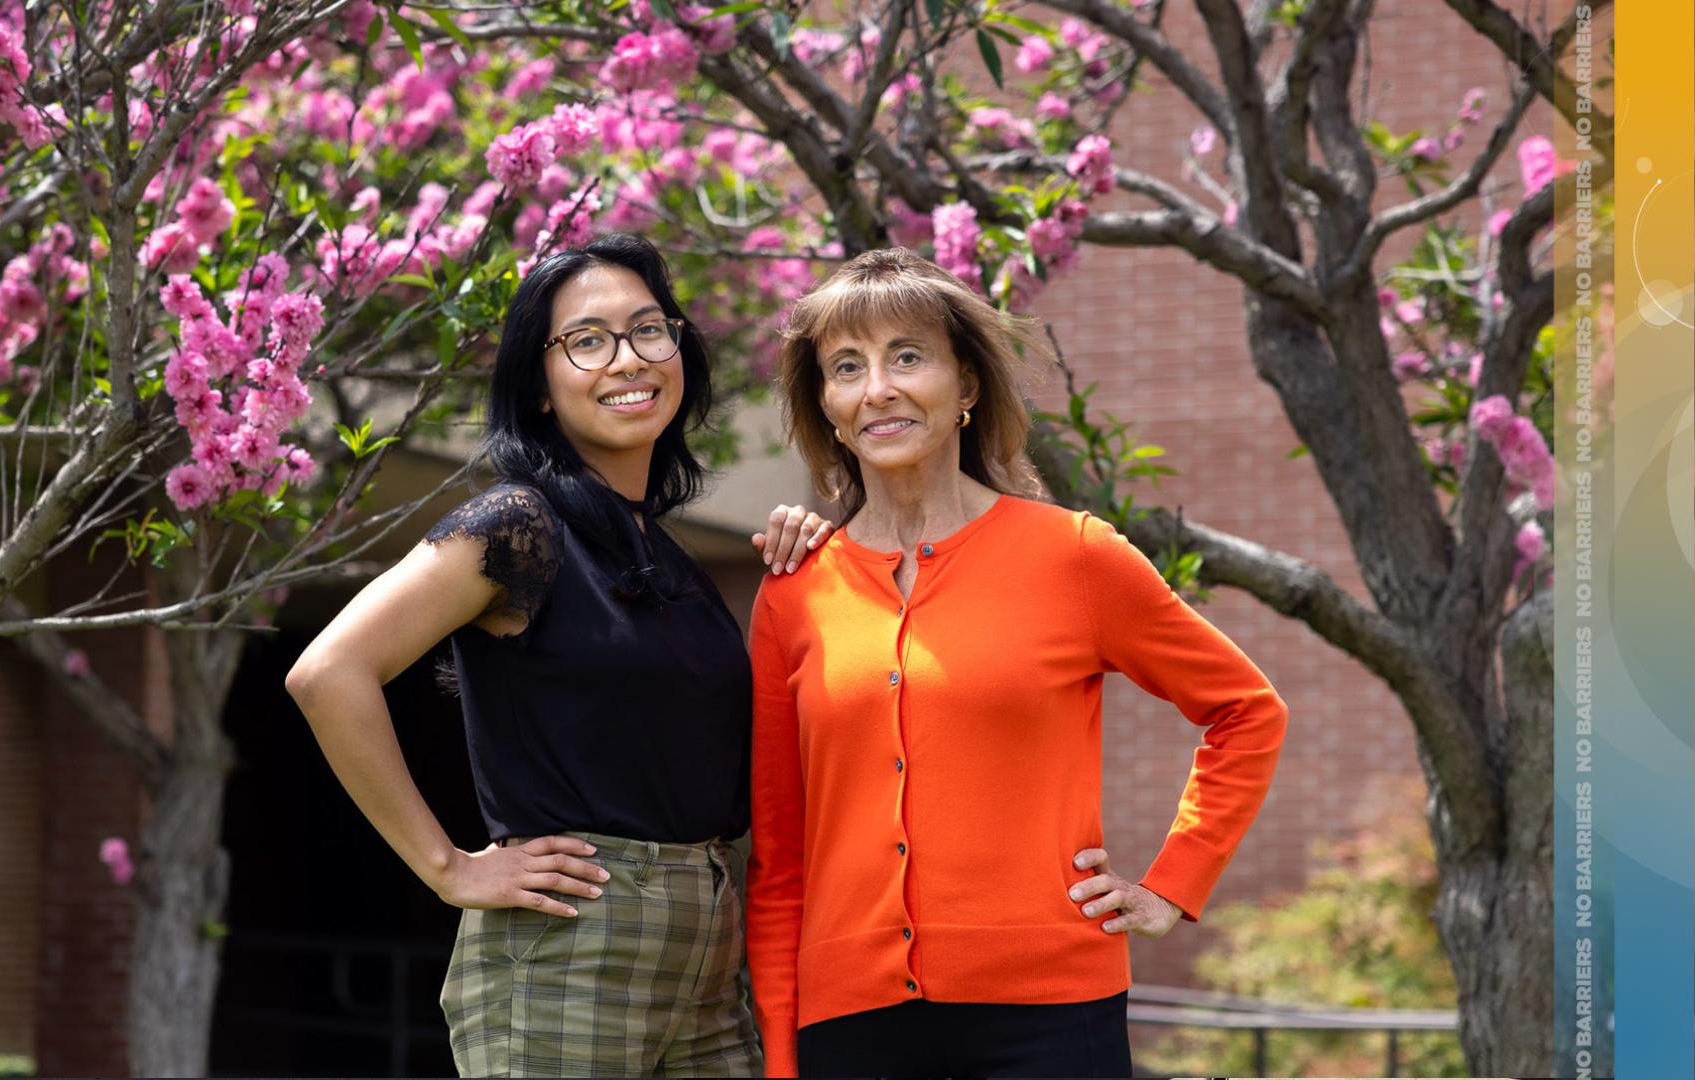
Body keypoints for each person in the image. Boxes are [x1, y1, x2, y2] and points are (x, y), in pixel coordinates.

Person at [285, 233, 831, 1078]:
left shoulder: (663, 555)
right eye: (587, 340)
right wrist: (448, 868)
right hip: (572, 945)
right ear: (539, 388)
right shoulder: (518, 524)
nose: (629, 359)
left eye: (651, 329)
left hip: (710, 950)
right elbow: (328, 673)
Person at [745, 247, 1289, 1078]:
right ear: (827, 405)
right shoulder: (794, 595)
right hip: (848, 1024)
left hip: (1050, 1015)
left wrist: (1170, 884)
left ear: (965, 386)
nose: (878, 388)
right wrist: (782, 1060)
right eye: (846, 367)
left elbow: (1246, 711)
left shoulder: (1073, 558)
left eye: (908, 356)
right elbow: (780, 860)